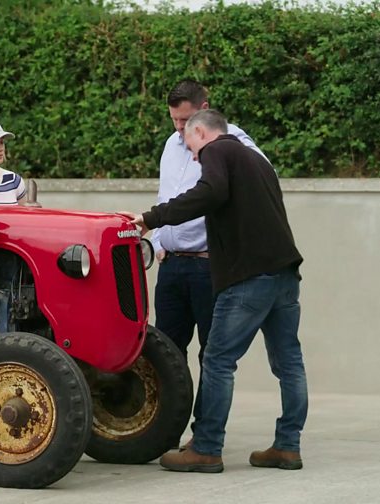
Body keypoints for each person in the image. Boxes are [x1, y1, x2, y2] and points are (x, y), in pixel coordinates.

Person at [120, 109, 307, 473]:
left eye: (191, 146)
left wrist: (150, 218)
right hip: (285, 274)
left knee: (218, 361)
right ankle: (288, 446)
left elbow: (209, 192)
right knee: (289, 364)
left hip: (250, 277)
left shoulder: (218, 150)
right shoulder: (257, 160)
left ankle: (206, 447)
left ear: (202, 132)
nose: (193, 156)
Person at [151, 79, 266, 450]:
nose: (180, 128)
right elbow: (165, 195)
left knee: (211, 355)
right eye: (174, 120)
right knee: (165, 352)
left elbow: (256, 192)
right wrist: (156, 241)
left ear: (204, 107)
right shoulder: (171, 145)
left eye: (186, 120)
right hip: (171, 266)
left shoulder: (235, 144)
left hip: (207, 265)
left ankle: (204, 438)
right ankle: (162, 429)